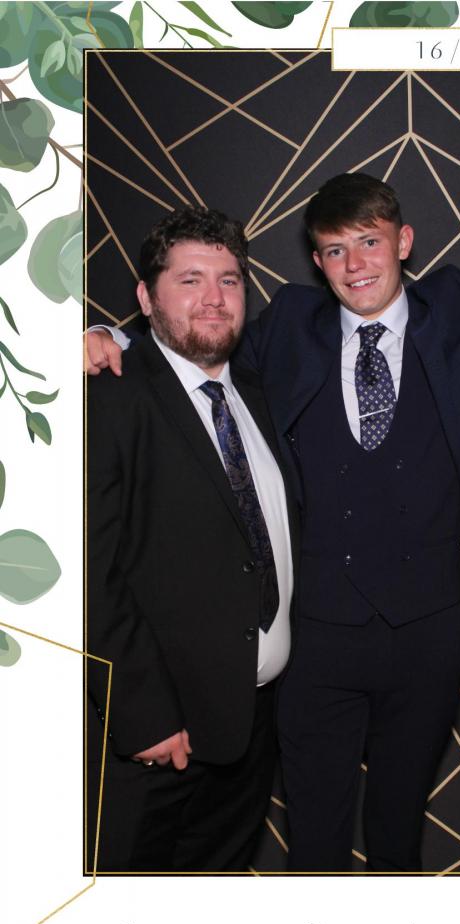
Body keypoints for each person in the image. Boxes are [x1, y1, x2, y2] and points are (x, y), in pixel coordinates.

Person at [87, 173, 460, 873]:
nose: (355, 264)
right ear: (316, 261)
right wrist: (106, 335)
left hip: (428, 638)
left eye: (369, 242)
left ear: (404, 242)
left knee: (399, 835)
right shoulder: (286, 325)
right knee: (313, 840)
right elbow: (187, 343)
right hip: (315, 643)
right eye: (335, 250)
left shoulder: (456, 307)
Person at [86, 206, 297, 872]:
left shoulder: (256, 394)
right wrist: (141, 713)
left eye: (229, 280)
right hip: (156, 738)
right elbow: (91, 571)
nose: (213, 298)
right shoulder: (107, 397)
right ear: (146, 298)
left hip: (250, 729)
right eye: (190, 280)